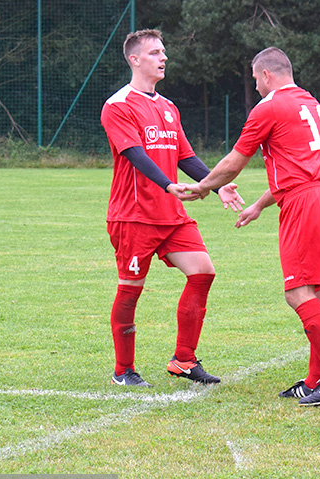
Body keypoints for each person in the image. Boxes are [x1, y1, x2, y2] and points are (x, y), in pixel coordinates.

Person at [177, 47, 320, 407]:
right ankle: (316, 378)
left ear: (266, 75)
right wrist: (260, 204)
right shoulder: (312, 104)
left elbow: (233, 162)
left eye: (256, 79)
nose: (256, 87)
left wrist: (203, 187)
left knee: (297, 292)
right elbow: (300, 167)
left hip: (304, 203)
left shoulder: (270, 106)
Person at [100, 29, 231, 386]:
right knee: (130, 290)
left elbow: (185, 156)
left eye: (164, 52)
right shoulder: (118, 105)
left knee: (203, 272)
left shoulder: (168, 107)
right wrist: (169, 185)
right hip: (133, 215)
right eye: (156, 52)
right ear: (135, 59)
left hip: (171, 215)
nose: (164, 58)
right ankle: (123, 369)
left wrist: (216, 186)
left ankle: (184, 360)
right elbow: (134, 154)